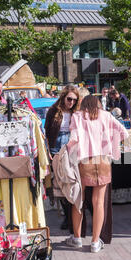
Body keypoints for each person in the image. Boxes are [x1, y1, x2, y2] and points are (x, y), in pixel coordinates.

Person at [66, 95, 129, 252]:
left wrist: (68, 152)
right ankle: (95, 242)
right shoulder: (106, 115)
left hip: (83, 163)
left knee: (78, 200)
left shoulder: (77, 116)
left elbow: (73, 140)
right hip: (103, 161)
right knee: (98, 202)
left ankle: (77, 238)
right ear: (98, 104)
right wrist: (110, 145)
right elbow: (124, 133)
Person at [45, 85, 82, 231]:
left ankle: (71, 218)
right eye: (69, 99)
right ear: (63, 97)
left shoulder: (76, 113)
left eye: (74, 99)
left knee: (71, 182)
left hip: (72, 146)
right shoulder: (53, 111)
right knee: (60, 183)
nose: (71, 102)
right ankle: (68, 217)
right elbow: (46, 132)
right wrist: (48, 151)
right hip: (56, 146)